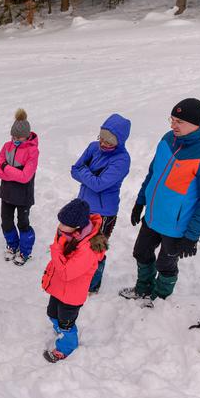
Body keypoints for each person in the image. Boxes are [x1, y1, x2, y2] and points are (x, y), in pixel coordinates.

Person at [119, 98, 200, 307]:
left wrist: (192, 235)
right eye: (172, 119)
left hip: (177, 226)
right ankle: (143, 289)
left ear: (196, 123)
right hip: (152, 215)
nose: (173, 125)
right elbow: (153, 173)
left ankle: (159, 298)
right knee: (141, 252)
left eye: (179, 121)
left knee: (166, 264)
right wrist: (141, 202)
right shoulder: (168, 139)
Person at [70, 113, 131, 293]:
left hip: (104, 213)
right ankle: (79, 274)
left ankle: (93, 284)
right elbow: (74, 169)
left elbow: (99, 185)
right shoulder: (93, 147)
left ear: (119, 141)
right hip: (83, 206)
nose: (103, 144)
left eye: (109, 142)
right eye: (102, 139)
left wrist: (85, 171)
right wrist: (89, 174)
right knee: (78, 243)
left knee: (96, 248)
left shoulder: (122, 160)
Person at [41, 199, 107, 363]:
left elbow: (66, 273)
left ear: (77, 226)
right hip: (59, 288)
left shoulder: (87, 249)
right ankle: (61, 331)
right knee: (52, 313)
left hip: (71, 295)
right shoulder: (70, 234)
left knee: (66, 323)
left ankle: (67, 345)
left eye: (64, 224)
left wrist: (56, 249)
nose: (60, 227)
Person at [0, 108, 39, 266]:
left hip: (23, 196)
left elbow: (26, 177)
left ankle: (25, 251)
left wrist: (6, 168)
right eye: (13, 136)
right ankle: (12, 245)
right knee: (6, 221)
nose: (15, 139)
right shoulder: (7, 147)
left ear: (27, 135)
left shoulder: (32, 151)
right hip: (7, 193)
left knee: (22, 223)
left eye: (19, 137)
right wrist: (13, 173)